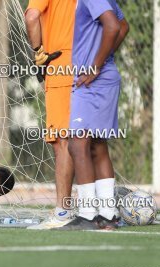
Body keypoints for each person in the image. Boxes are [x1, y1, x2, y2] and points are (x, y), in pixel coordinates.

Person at [61, 0, 129, 230]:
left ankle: (89, 214)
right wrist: (104, 61)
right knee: (97, 146)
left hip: (93, 81)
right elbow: (124, 25)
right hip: (103, 79)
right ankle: (108, 216)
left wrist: (96, 66)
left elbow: (113, 26)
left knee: (77, 145)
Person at [24, 0, 78, 228]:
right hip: (83, 61)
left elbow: (32, 17)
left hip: (60, 63)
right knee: (83, 139)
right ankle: (94, 206)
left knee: (62, 141)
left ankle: (64, 211)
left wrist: (38, 52)